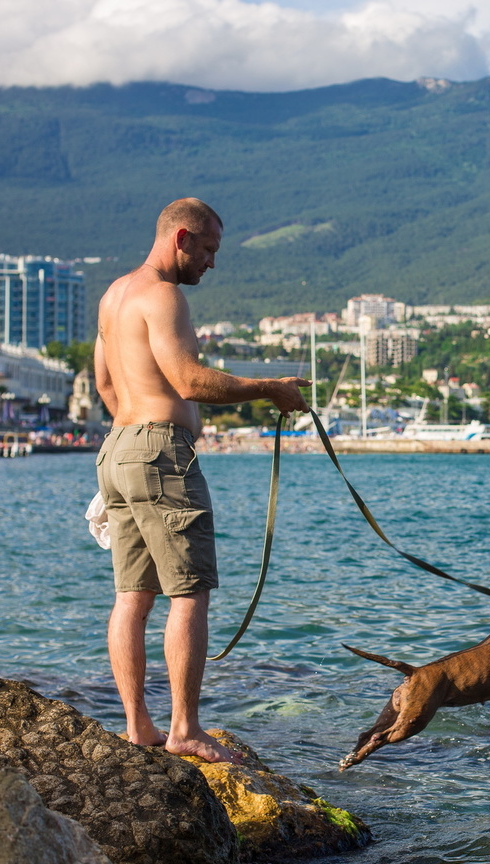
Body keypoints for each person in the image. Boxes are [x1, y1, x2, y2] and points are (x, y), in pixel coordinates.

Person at [94, 197, 310, 763]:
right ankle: (184, 730)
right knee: (189, 593)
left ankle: (137, 727)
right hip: (160, 455)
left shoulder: (114, 295)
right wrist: (269, 388)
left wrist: (132, 431)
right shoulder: (163, 297)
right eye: (210, 249)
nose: (212, 263)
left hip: (118, 448)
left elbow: (106, 385)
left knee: (132, 596)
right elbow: (189, 380)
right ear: (182, 237)